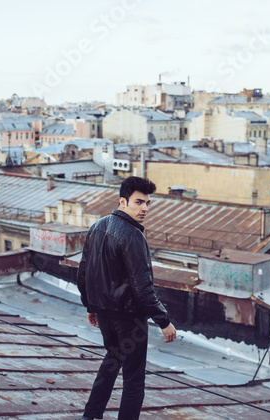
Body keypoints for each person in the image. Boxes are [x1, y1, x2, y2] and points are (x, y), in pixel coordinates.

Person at [76, 176, 176, 420]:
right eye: (138, 202)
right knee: (133, 381)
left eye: (148, 203)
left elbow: (83, 272)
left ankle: (90, 415)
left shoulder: (97, 226)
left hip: (106, 316)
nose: (144, 209)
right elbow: (142, 288)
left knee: (111, 363)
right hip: (130, 319)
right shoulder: (132, 236)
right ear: (123, 201)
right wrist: (164, 321)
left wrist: (91, 305)